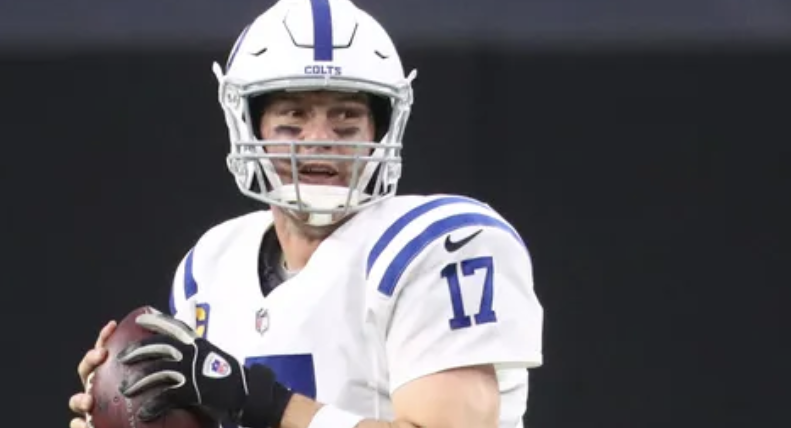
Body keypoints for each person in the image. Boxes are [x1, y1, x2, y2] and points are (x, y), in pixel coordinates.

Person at [68, 0, 544, 427]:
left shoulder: (434, 245)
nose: (319, 138)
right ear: (248, 128)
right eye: (292, 118)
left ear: (381, 131)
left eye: (346, 119)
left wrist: (260, 400)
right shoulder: (210, 268)